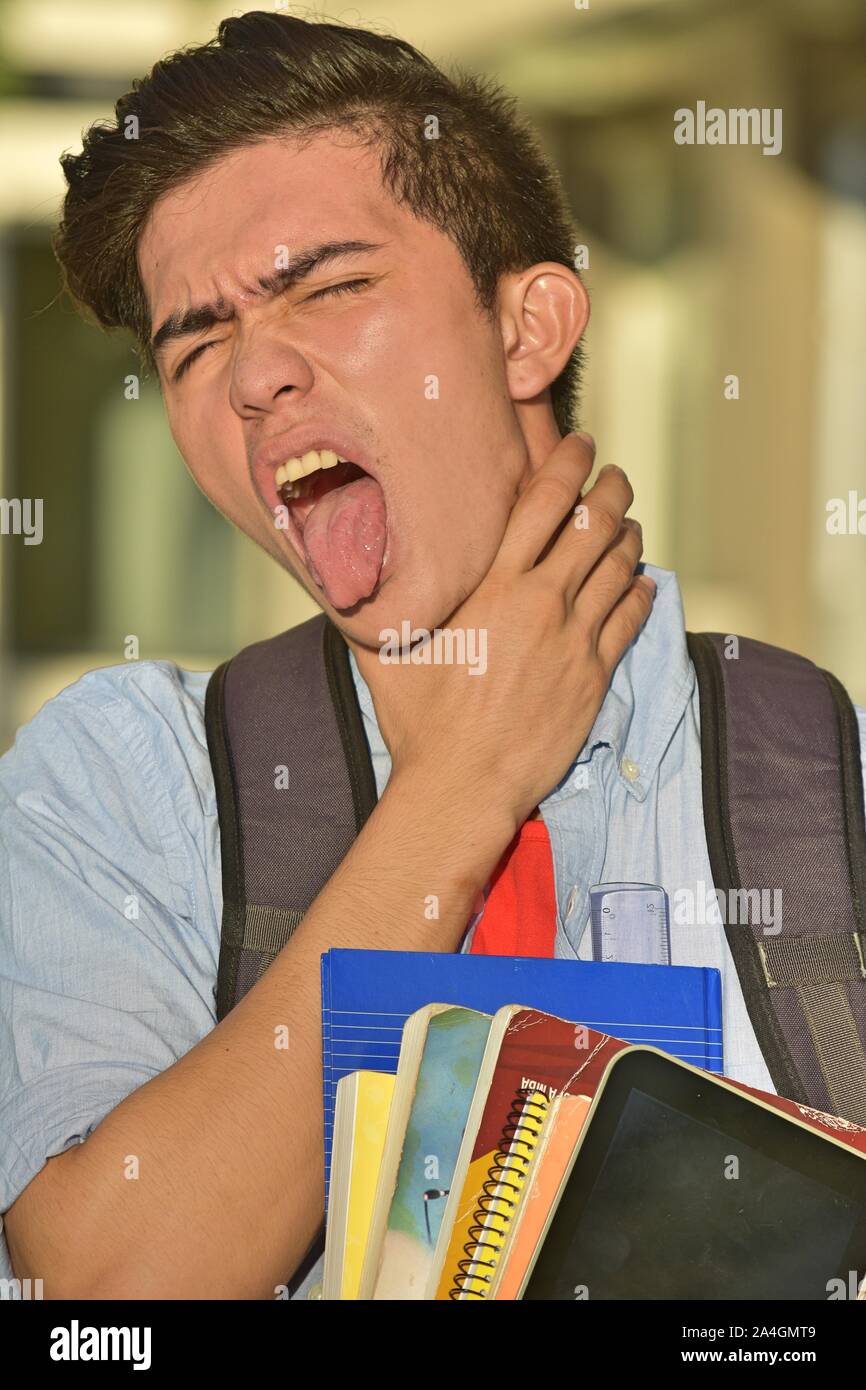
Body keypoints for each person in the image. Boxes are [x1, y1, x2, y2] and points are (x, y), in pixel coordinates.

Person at [1, 11, 862, 1300]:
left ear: (530, 328)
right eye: (194, 343)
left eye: (330, 288)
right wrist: (462, 784)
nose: (253, 378)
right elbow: (109, 1293)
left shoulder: (829, 788)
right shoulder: (129, 787)